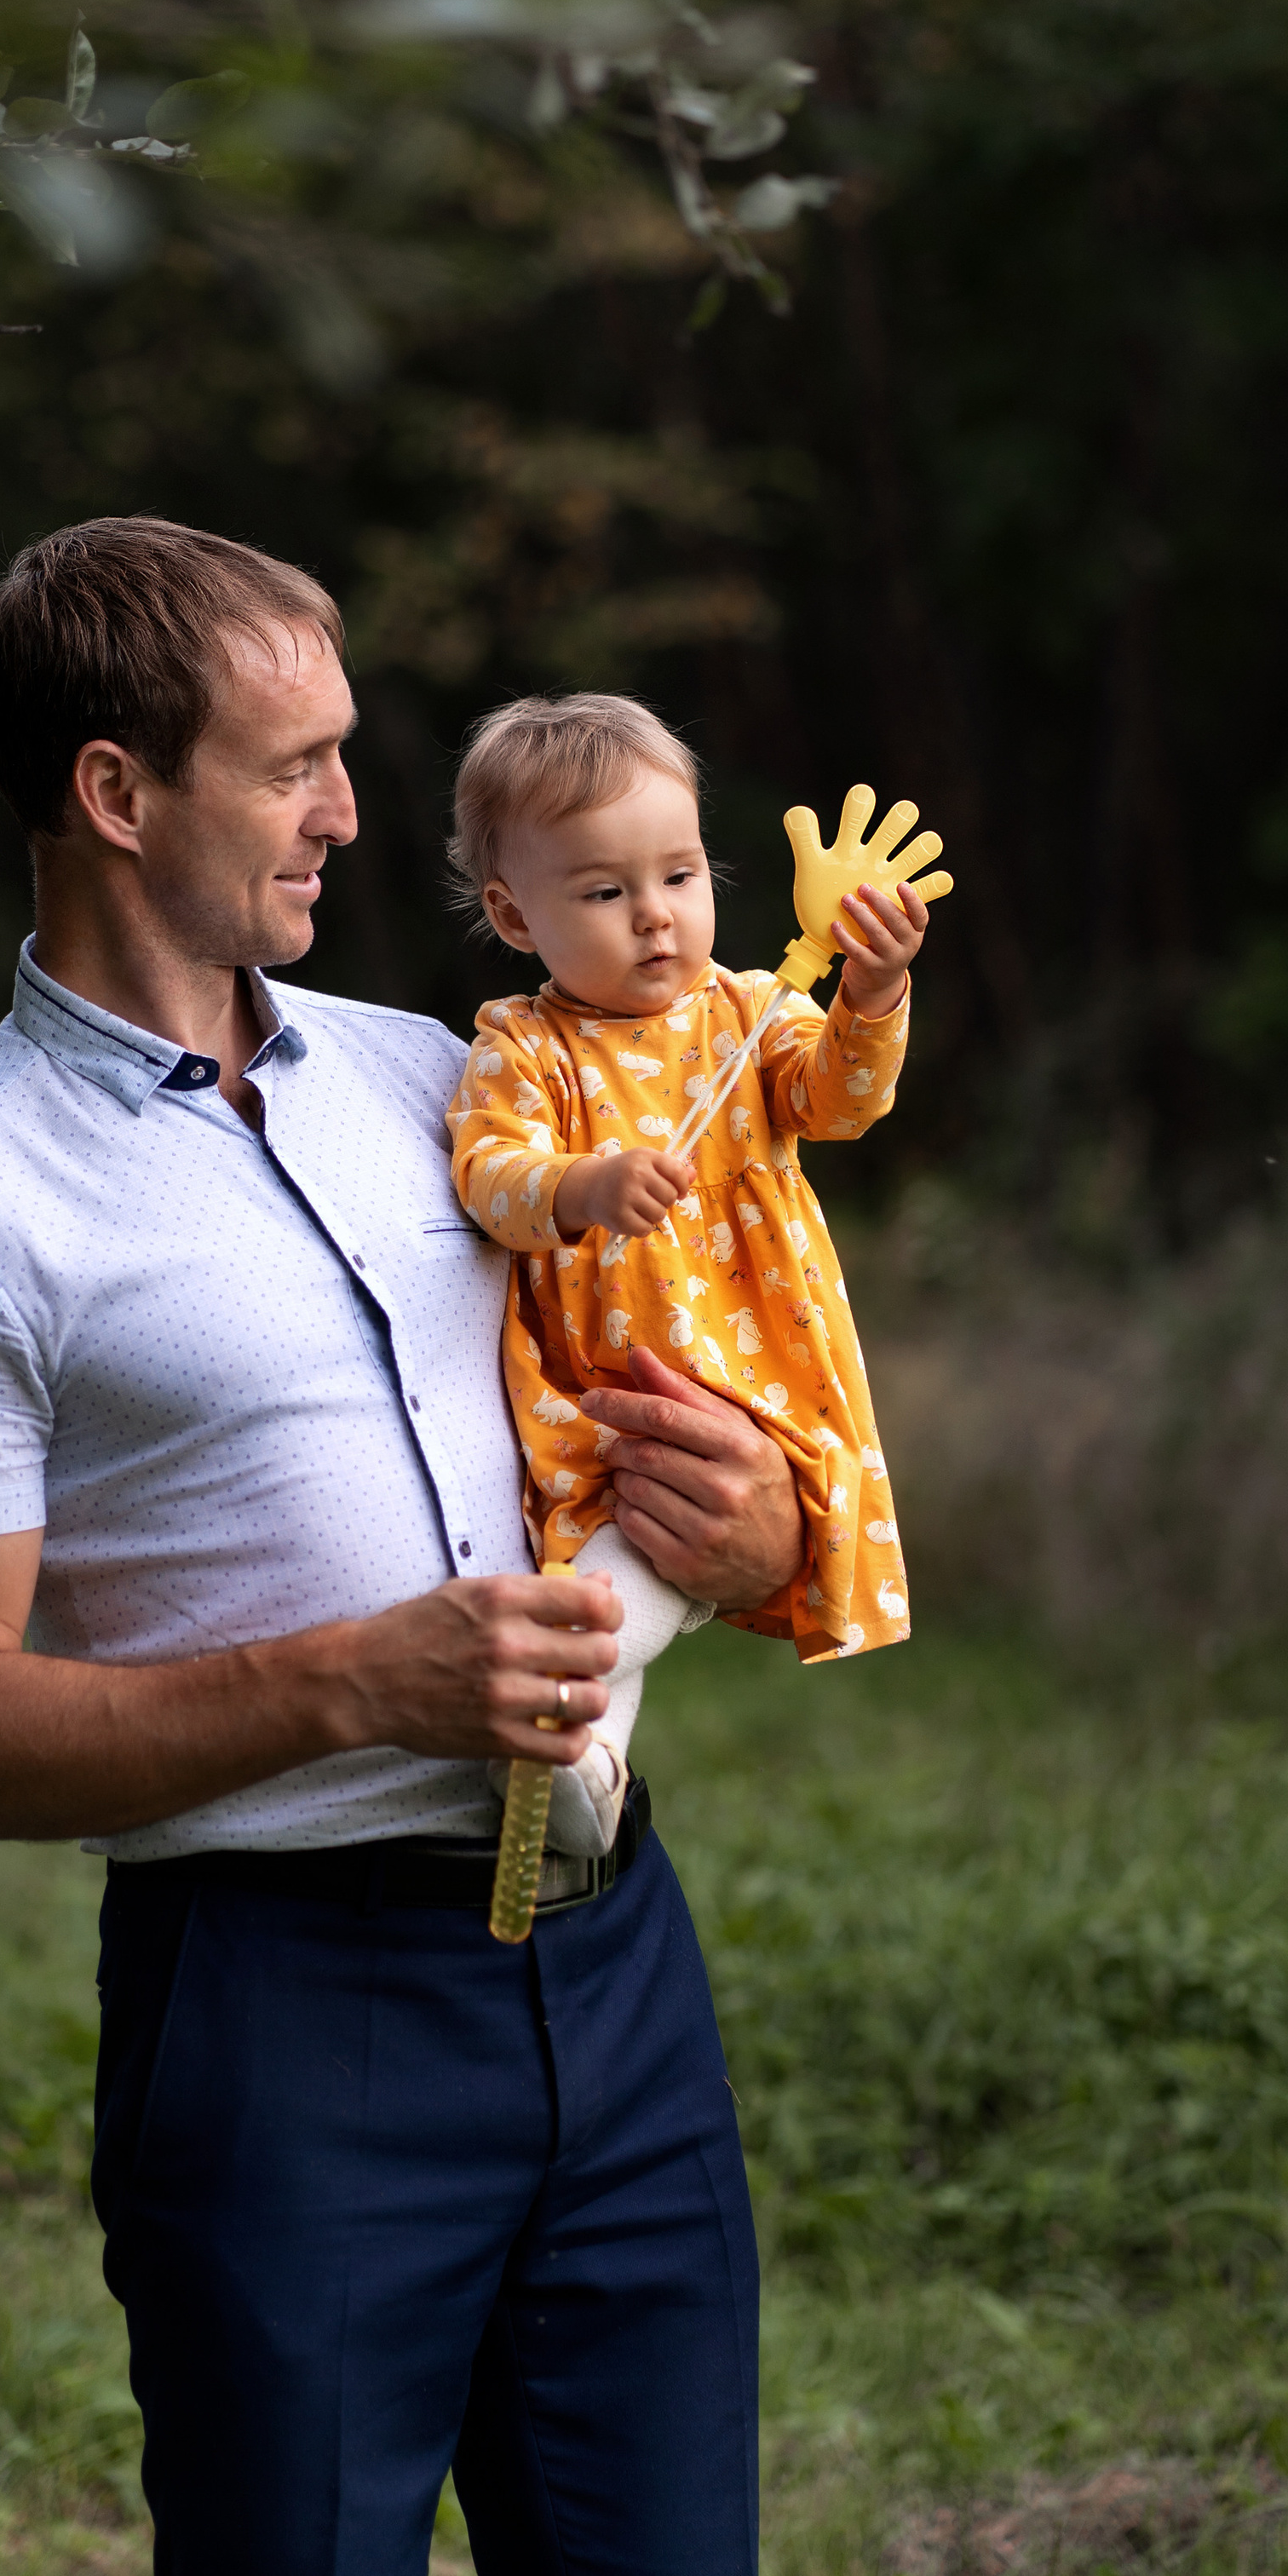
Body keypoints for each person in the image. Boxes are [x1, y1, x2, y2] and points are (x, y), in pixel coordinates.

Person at [0, 516, 814, 2576]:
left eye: (351, 755)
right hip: (285, 2034)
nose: (359, 814)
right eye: (303, 766)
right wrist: (350, 1680)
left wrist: (755, 1524)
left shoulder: (453, 1079)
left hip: (611, 1965)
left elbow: (708, 1413)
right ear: (118, 791)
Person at [446, 693, 927, 1851]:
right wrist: (582, 1185)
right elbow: (488, 1173)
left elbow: (838, 1098)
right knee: (601, 1536)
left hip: (750, 1355)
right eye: (607, 894)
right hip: (601, 1367)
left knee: (666, 1552)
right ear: (516, 915)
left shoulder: (749, 1011)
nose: (657, 920)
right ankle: (592, 1759)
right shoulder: (526, 1045)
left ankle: (577, 1736)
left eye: (682, 876)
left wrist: (870, 993)